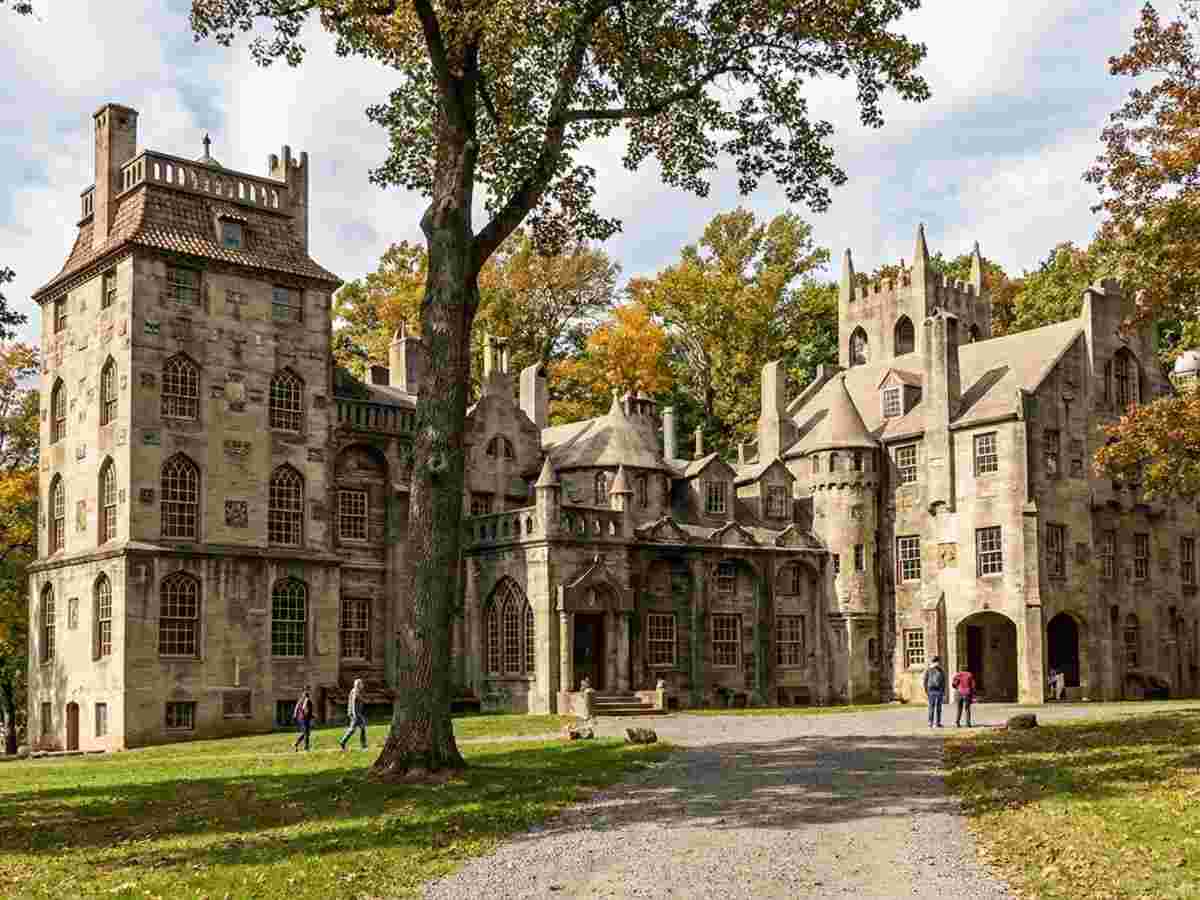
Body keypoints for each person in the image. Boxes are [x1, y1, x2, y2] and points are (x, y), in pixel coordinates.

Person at [340, 678, 368, 751]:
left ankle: (343, 742)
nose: (363, 685)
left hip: (355, 713)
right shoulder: (355, 691)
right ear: (358, 685)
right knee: (362, 728)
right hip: (355, 713)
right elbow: (353, 703)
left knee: (353, 729)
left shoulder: (355, 691)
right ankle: (364, 746)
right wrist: (355, 714)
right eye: (361, 684)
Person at [923, 656, 945, 728]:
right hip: (936, 690)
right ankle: (935, 723)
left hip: (933, 690)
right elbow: (943, 681)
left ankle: (932, 723)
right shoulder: (939, 670)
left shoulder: (929, 670)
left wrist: (926, 690)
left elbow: (925, 681)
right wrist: (943, 691)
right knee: (936, 708)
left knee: (933, 707)